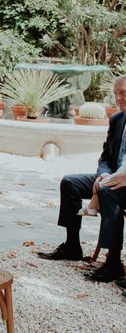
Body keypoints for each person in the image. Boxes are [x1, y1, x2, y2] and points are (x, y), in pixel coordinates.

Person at [38, 75, 126, 283]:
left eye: (123, 92)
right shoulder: (116, 119)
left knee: (107, 192)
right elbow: (105, 157)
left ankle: (113, 263)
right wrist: (103, 174)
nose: (119, 98)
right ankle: (72, 246)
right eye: (116, 94)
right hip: (112, 177)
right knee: (70, 183)